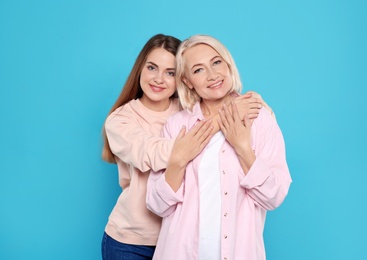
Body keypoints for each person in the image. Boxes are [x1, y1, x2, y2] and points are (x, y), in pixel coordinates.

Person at [101, 34, 270, 259]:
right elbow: (150, 153)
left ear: (183, 78)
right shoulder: (120, 120)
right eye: (152, 68)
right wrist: (225, 118)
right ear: (140, 69)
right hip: (132, 241)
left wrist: (252, 101)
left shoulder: (186, 110)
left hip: (179, 241)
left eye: (170, 72)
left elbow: (219, 96)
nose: (159, 79)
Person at [146, 34, 292, 260]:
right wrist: (177, 161)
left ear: (227, 64)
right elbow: (157, 205)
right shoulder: (176, 126)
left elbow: (273, 197)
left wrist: (243, 148)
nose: (213, 75)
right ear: (187, 81)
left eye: (216, 62)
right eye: (198, 70)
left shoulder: (259, 117)